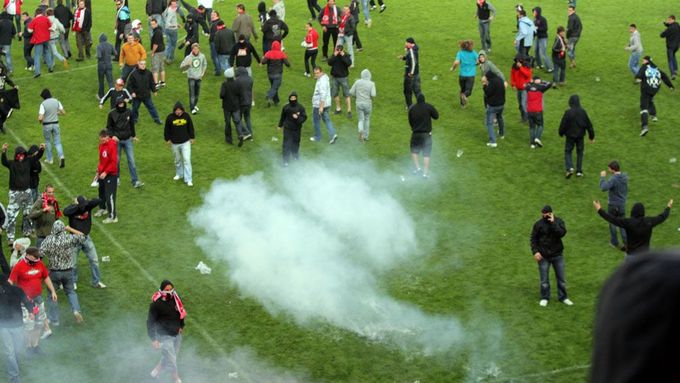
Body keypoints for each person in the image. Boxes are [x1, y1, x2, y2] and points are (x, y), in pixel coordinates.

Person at [8, 247, 56, 354]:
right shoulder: (19, 266)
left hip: (38, 299)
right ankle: (28, 347)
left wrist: (53, 291)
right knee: (28, 326)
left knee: (39, 324)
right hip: (25, 302)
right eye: (34, 260)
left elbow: (46, 277)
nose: (36, 262)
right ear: (28, 256)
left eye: (37, 260)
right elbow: (10, 281)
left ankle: (36, 346)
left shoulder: (39, 263)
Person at [40, 220, 85, 325]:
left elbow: (40, 255)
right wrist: (70, 229)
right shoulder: (69, 238)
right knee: (71, 292)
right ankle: (76, 310)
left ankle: (54, 319)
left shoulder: (48, 240)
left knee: (52, 295)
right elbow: (83, 236)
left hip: (54, 273)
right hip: (68, 271)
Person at [593, 199, 672, 258]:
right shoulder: (649, 222)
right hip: (644, 256)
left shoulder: (629, 223)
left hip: (631, 256)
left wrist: (599, 210)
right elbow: (662, 217)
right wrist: (668, 207)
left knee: (629, 278)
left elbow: (612, 219)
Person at [530, 205, 571, 307]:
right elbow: (533, 239)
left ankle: (563, 297)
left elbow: (562, 233)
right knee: (544, 280)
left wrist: (553, 223)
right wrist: (535, 252)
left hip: (557, 255)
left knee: (561, 279)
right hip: (543, 256)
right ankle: (545, 297)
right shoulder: (538, 224)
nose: (544, 215)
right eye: (543, 213)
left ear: (551, 213)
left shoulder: (558, 221)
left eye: (546, 213)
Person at [147, 280, 186, 383]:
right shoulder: (156, 305)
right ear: (161, 290)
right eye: (166, 290)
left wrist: (181, 325)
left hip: (177, 335)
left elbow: (181, 312)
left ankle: (155, 371)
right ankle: (175, 378)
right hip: (164, 336)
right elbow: (150, 322)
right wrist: (153, 339)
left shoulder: (176, 299)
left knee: (169, 357)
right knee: (172, 360)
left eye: (170, 289)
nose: (169, 292)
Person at [62, 195, 105, 288]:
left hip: (86, 238)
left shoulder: (87, 206)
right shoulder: (72, 208)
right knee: (73, 263)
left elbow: (98, 200)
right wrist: (77, 206)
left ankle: (96, 282)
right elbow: (65, 212)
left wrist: (85, 202)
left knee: (94, 260)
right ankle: (73, 282)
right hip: (74, 239)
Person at [0, 272, 33, 383]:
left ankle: (14, 371)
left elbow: (26, 300)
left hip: (5, 326)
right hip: (16, 325)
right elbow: (27, 301)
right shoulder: (17, 289)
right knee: (13, 351)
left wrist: (31, 311)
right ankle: (14, 377)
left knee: (12, 352)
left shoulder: (15, 290)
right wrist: (31, 311)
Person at [2, 144, 38, 246]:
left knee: (28, 213)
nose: (21, 156)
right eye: (19, 155)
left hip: (27, 192)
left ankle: (27, 231)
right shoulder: (12, 163)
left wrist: (41, 150)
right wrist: (4, 152)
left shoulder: (28, 162)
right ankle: (10, 238)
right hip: (15, 193)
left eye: (23, 154)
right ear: (16, 155)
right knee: (11, 216)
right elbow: (4, 162)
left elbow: (36, 157)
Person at [107, 96, 144, 189]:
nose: (121, 105)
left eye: (122, 103)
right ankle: (117, 178)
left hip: (128, 140)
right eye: (119, 104)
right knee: (117, 160)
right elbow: (109, 127)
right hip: (117, 141)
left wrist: (134, 135)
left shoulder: (129, 112)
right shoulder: (112, 114)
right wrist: (112, 136)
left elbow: (132, 124)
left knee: (131, 161)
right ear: (117, 104)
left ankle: (135, 181)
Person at [636, 56, 674, 137]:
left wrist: (638, 79)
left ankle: (644, 127)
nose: (642, 62)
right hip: (655, 90)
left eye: (643, 60)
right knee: (650, 99)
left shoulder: (644, 67)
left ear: (646, 61)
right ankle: (653, 115)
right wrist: (670, 86)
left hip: (646, 89)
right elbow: (664, 76)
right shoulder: (656, 68)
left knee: (643, 108)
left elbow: (639, 75)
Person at [558, 94, 593, 177]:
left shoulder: (568, 112)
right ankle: (579, 171)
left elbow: (564, 124)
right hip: (580, 136)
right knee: (580, 152)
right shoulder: (583, 112)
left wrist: (561, 132)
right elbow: (589, 125)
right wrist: (591, 136)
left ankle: (569, 167)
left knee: (568, 151)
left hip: (570, 135)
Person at [599, 161, 628, 251]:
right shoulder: (624, 176)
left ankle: (614, 242)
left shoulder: (614, 179)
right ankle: (627, 243)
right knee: (622, 225)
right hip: (622, 204)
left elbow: (603, 188)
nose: (608, 170)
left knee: (612, 223)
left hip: (613, 205)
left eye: (609, 168)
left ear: (613, 169)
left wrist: (602, 177)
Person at [164, 101, 194, 186]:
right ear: (174, 110)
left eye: (180, 110)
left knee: (187, 160)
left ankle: (188, 179)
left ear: (182, 110)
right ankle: (179, 174)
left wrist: (192, 137)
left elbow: (190, 127)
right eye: (177, 110)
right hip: (174, 143)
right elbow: (166, 129)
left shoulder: (187, 116)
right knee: (177, 160)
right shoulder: (170, 118)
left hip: (185, 142)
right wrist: (167, 139)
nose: (178, 112)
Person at [408, 94, 438, 178]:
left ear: (417, 100)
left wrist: (414, 127)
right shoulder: (428, 106)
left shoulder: (412, 108)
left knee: (414, 151)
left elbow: (410, 121)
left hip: (416, 134)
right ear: (424, 100)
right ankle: (425, 174)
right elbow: (436, 116)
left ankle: (418, 169)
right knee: (426, 154)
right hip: (426, 135)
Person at [127, 60, 162, 125]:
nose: (143, 65)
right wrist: (132, 93)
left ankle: (157, 119)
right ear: (138, 65)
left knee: (151, 107)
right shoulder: (133, 74)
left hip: (146, 96)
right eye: (141, 64)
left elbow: (152, 83)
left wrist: (154, 90)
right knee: (135, 108)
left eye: (144, 64)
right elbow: (129, 86)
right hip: (137, 96)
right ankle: (134, 120)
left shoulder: (149, 73)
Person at [37, 88, 65, 167]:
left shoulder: (43, 104)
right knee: (58, 142)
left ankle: (50, 159)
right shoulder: (56, 101)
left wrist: (40, 121)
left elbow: (40, 117)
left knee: (48, 141)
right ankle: (61, 156)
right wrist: (56, 113)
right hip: (56, 124)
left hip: (47, 125)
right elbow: (63, 112)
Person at [94, 129, 118, 223]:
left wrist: (106, 172)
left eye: (103, 140)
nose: (102, 141)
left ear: (107, 137)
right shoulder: (101, 145)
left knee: (110, 196)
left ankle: (113, 217)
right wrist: (98, 170)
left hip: (111, 175)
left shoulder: (112, 145)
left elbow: (113, 162)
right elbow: (102, 160)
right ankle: (102, 209)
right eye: (101, 140)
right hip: (102, 174)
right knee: (101, 192)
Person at [278, 91, 306, 166]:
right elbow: (282, 117)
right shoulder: (286, 107)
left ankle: (295, 155)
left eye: (294, 98)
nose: (293, 99)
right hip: (288, 128)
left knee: (296, 143)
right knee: (286, 144)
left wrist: (298, 118)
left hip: (297, 129)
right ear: (289, 98)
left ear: (296, 98)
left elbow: (304, 118)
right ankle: (285, 160)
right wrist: (280, 125)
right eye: (291, 98)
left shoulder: (300, 107)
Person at [28, 184, 60, 249]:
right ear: (45, 192)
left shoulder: (54, 202)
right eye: (49, 192)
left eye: (53, 192)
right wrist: (43, 210)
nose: (51, 194)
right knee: (39, 256)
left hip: (52, 236)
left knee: (53, 257)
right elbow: (31, 215)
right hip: (42, 236)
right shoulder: (40, 201)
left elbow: (57, 217)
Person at [310, 65, 336, 144]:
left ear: (321, 72)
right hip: (327, 104)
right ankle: (333, 135)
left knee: (316, 121)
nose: (316, 75)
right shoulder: (325, 77)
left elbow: (323, 95)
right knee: (327, 120)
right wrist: (317, 77)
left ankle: (318, 137)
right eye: (315, 73)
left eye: (317, 73)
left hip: (319, 105)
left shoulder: (321, 82)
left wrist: (321, 107)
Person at [180, 43, 206, 115]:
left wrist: (203, 73)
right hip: (191, 78)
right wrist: (187, 65)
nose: (196, 50)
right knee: (192, 94)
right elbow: (181, 68)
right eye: (194, 49)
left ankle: (194, 105)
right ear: (192, 49)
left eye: (197, 49)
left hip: (199, 78)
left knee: (197, 93)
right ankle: (192, 108)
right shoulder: (188, 57)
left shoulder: (202, 56)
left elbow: (204, 64)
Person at [261, 40, 289, 107]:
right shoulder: (281, 54)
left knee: (273, 87)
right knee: (274, 88)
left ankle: (276, 101)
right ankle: (269, 95)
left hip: (270, 74)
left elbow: (263, 62)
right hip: (278, 74)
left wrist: (263, 58)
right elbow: (287, 64)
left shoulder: (268, 53)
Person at [525, 75, 551, 149]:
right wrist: (542, 81)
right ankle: (537, 138)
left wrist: (530, 82)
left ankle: (532, 144)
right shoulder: (541, 88)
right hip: (537, 110)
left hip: (529, 110)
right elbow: (550, 83)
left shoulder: (528, 87)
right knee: (540, 125)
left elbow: (526, 84)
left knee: (532, 127)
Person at [349, 68, 375, 142]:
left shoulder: (357, 82)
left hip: (359, 103)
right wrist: (372, 99)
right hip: (368, 104)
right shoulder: (371, 84)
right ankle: (366, 136)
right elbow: (373, 94)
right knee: (367, 119)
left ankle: (360, 130)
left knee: (361, 119)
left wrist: (356, 96)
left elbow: (351, 92)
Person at [450, 40, 478, 108]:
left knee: (462, 89)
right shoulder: (474, 53)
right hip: (470, 76)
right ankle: (464, 96)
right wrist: (475, 64)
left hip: (462, 75)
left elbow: (456, 62)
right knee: (468, 91)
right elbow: (478, 61)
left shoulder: (460, 53)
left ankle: (462, 104)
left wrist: (453, 68)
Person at [27, 7, 53, 78]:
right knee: (47, 53)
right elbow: (50, 27)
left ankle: (37, 72)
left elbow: (29, 30)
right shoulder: (46, 18)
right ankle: (50, 67)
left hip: (38, 40)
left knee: (37, 56)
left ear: (36, 13)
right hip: (46, 39)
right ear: (42, 13)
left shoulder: (34, 20)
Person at [327, 43, 351, 117]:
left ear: (343, 49)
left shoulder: (346, 55)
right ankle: (338, 109)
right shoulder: (334, 55)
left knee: (346, 94)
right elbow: (329, 63)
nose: (339, 51)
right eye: (338, 49)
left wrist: (343, 55)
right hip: (335, 77)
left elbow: (349, 63)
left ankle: (349, 111)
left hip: (343, 78)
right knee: (334, 93)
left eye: (340, 50)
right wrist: (334, 55)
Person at [482, 70, 505, 147]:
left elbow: (487, 93)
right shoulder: (500, 80)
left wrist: (484, 85)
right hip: (501, 104)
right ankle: (502, 134)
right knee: (500, 117)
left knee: (489, 123)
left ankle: (493, 141)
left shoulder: (492, 83)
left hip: (493, 106)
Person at [219, 68, 241, 144]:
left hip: (227, 107)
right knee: (237, 121)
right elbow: (239, 93)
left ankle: (229, 139)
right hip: (236, 106)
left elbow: (221, 95)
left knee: (228, 123)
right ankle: (240, 134)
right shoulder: (237, 83)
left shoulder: (224, 84)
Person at [234, 67, 253, 146]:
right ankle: (250, 134)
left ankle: (245, 133)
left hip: (241, 103)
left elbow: (236, 92)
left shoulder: (237, 80)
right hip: (249, 101)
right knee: (247, 118)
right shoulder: (250, 79)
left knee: (237, 118)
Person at [400, 37, 421, 109]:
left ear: (410, 43)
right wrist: (404, 58)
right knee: (417, 90)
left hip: (410, 75)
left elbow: (414, 62)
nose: (405, 44)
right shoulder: (414, 49)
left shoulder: (411, 50)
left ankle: (410, 106)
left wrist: (411, 73)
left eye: (406, 42)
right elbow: (411, 58)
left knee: (407, 90)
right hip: (416, 73)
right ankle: (421, 104)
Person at [510, 55, 532, 122]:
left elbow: (528, 75)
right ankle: (524, 118)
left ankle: (529, 118)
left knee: (523, 104)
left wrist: (521, 68)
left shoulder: (527, 66)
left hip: (525, 88)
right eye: (516, 61)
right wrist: (513, 84)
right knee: (520, 105)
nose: (517, 62)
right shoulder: (514, 67)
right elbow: (512, 76)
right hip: (518, 88)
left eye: (519, 61)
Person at [660, 15, 680, 80]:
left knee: (670, 60)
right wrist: (665, 23)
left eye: (669, 20)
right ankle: (676, 69)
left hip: (670, 47)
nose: (668, 21)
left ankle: (672, 74)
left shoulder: (669, 29)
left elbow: (662, 35)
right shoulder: (677, 25)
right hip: (677, 46)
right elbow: (670, 26)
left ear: (672, 19)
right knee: (673, 56)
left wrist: (663, 31)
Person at [96, 33, 115, 99]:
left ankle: (101, 96)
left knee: (101, 81)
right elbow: (115, 53)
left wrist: (96, 56)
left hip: (101, 66)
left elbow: (99, 56)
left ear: (100, 40)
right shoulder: (110, 45)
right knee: (110, 81)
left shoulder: (99, 46)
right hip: (109, 65)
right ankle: (113, 95)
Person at [533, 7, 552, 72]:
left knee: (543, 53)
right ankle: (539, 64)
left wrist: (537, 28)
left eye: (535, 12)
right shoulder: (535, 20)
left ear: (538, 12)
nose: (534, 13)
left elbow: (545, 28)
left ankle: (550, 67)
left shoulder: (543, 19)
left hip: (543, 38)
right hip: (537, 38)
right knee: (536, 50)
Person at [149, 18, 166, 90]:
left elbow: (155, 44)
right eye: (151, 24)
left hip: (157, 52)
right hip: (162, 51)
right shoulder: (159, 29)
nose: (152, 25)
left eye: (153, 24)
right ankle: (162, 82)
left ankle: (155, 84)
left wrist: (152, 52)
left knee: (155, 68)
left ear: (156, 23)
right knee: (162, 67)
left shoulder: (156, 32)